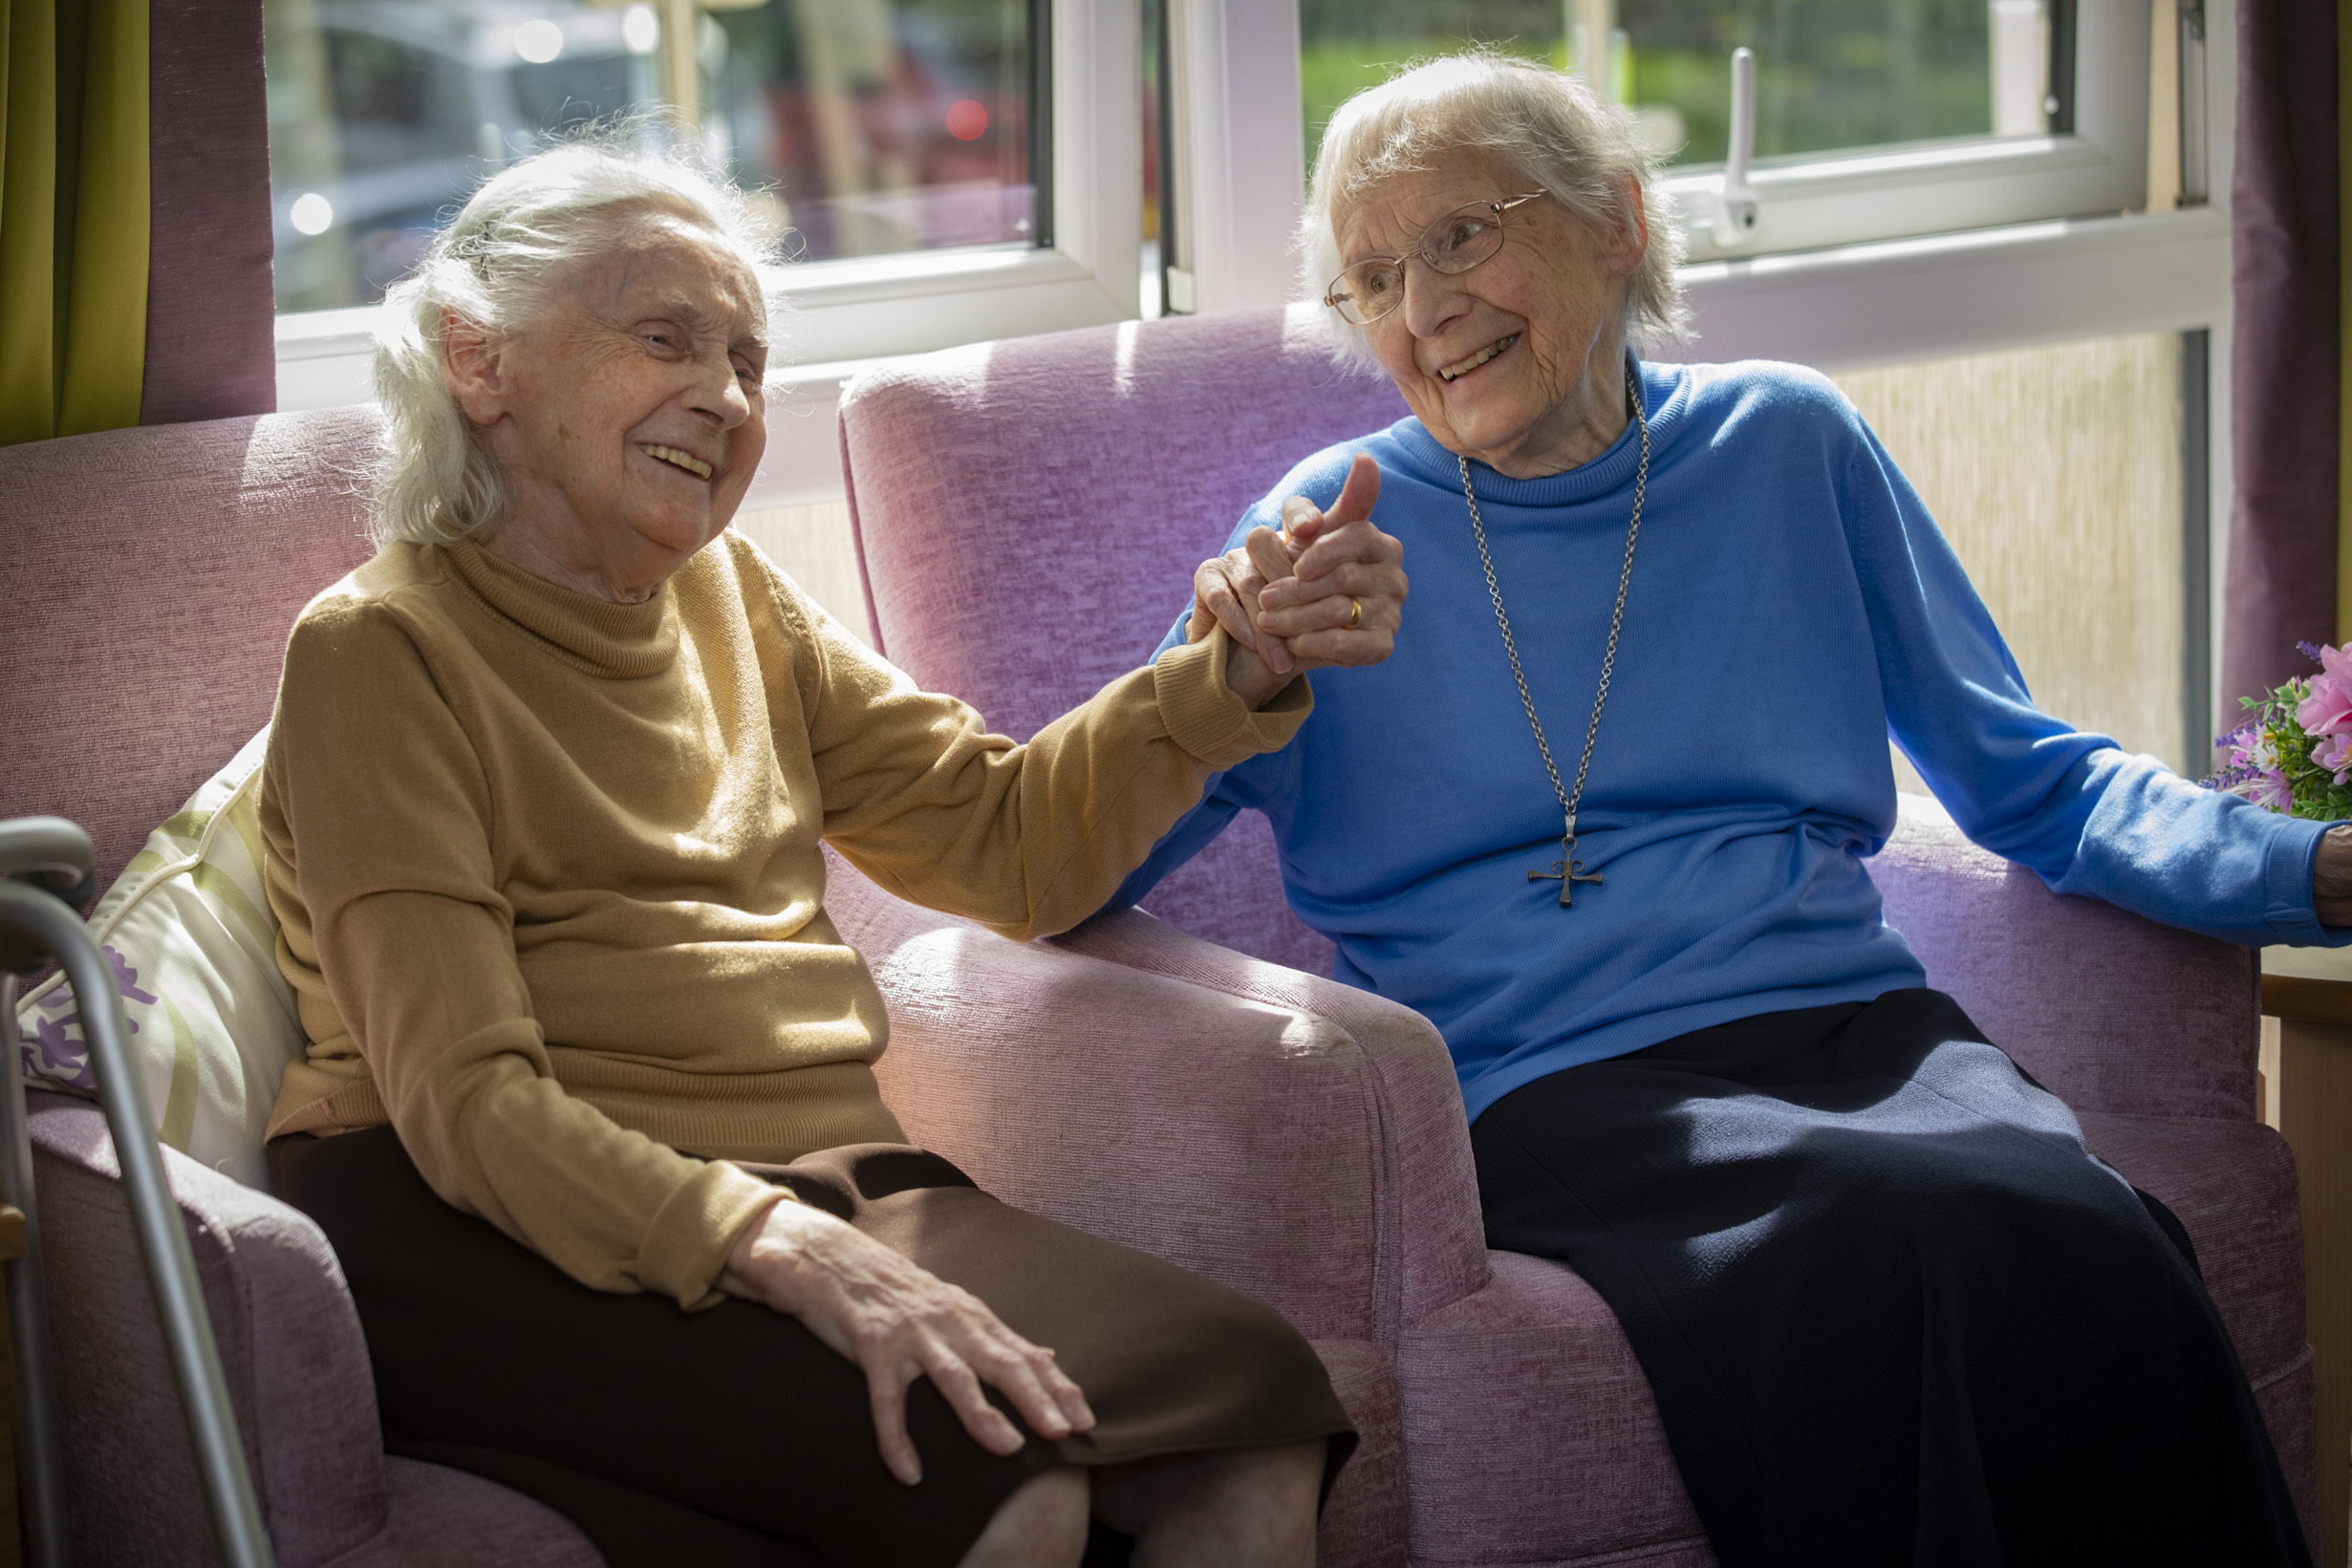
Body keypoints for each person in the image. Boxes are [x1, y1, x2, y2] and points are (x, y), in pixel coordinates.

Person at [1134, 51, 2341, 1567]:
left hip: (1857, 1027)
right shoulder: (1326, 536)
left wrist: (2318, 869)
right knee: (1874, 1236)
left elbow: (2027, 775)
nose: (1422, 309)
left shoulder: (1786, 443)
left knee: (2085, 1229)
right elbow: (1094, 858)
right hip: (1545, 1077)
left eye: (1462, 235)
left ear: (1618, 223)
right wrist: (1221, 673)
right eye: (1372, 276)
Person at [257, 138, 1406, 1568]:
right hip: (479, 1210)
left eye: (745, 359)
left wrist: (1223, 672)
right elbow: (469, 1101)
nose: (725, 397)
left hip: (815, 1168)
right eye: (664, 336)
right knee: (999, 1475)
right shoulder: (379, 651)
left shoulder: (735, 592)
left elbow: (1010, 847)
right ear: (477, 361)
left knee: (1249, 1405)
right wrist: (787, 1248)